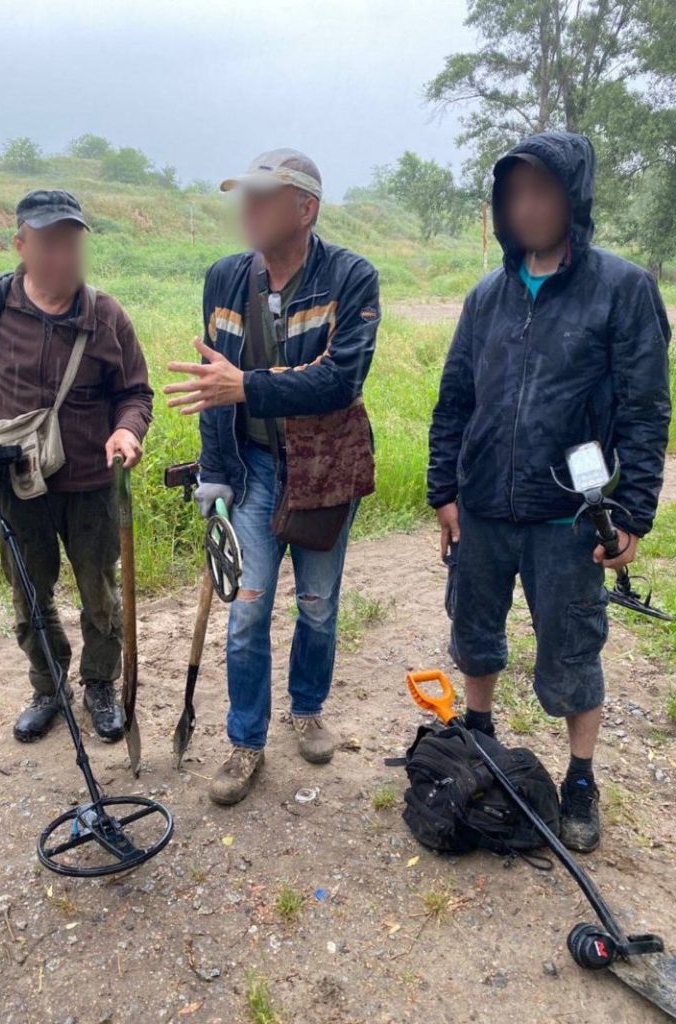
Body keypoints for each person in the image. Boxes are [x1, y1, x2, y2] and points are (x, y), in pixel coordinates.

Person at [427, 131, 671, 852]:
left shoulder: (621, 290)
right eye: (514, 193)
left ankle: (581, 778)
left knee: (571, 650)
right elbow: (453, 401)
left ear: (575, 197)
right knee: (474, 630)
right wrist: (445, 490)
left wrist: (633, 512)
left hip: (568, 515)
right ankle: (478, 737)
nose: (527, 206)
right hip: (482, 507)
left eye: (542, 190)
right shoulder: (486, 297)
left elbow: (645, 409)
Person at [165, 149, 380, 805]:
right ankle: (244, 741)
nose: (248, 209)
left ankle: (308, 708)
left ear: (305, 209)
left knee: (317, 605)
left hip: (323, 470)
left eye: (264, 197)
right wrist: (215, 478)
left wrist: (247, 386)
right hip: (252, 469)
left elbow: (341, 381)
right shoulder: (224, 278)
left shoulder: (351, 276)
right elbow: (212, 388)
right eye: (245, 196)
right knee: (246, 611)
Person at [0, 189, 153, 744]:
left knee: (99, 592)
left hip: (91, 486)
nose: (61, 255)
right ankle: (48, 684)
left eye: (70, 241)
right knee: (28, 592)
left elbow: (136, 392)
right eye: (48, 242)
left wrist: (127, 429)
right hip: (16, 482)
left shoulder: (106, 315)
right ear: (21, 244)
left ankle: (99, 684)